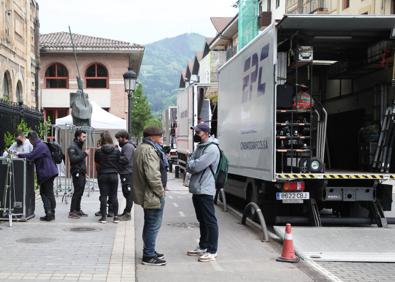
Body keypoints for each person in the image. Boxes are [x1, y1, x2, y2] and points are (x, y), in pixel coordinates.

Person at [133, 126, 166, 266]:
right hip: (151, 194)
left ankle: (150, 250)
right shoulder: (149, 150)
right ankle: (148, 255)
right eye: (160, 136)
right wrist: (161, 192)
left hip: (147, 193)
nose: (162, 139)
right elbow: (153, 175)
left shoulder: (141, 148)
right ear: (152, 137)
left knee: (149, 223)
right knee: (153, 225)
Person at [186, 123, 220, 262]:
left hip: (205, 188)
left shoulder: (212, 149)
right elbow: (190, 164)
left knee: (210, 220)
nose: (196, 134)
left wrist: (192, 163)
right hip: (197, 188)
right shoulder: (200, 147)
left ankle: (212, 250)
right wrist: (192, 163)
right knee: (202, 219)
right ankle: (203, 246)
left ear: (205, 133)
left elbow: (196, 166)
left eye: (198, 132)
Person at [17, 131, 58, 221]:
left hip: (47, 173)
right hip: (49, 172)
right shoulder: (40, 145)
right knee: (48, 193)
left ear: (32, 139)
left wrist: (19, 154)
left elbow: (31, 156)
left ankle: (49, 213)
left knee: (45, 193)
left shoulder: (40, 146)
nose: (30, 142)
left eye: (30, 139)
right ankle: (51, 213)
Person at [94, 131, 121, 224]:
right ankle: (116, 217)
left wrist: (100, 173)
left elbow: (97, 165)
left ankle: (104, 217)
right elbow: (119, 162)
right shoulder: (117, 151)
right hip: (113, 175)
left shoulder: (98, 151)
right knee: (114, 196)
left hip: (103, 175)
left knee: (103, 196)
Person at [68, 129, 88, 219]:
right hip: (77, 173)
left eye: (85, 137)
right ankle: (72, 212)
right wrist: (84, 154)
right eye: (83, 137)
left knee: (80, 192)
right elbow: (73, 159)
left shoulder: (79, 146)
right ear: (78, 137)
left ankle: (78, 209)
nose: (85, 138)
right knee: (77, 192)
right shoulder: (72, 147)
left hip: (82, 173)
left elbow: (80, 161)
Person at [115, 130, 135, 221]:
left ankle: (127, 214)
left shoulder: (128, 147)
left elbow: (125, 159)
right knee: (126, 193)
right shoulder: (127, 146)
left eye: (119, 139)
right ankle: (126, 212)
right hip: (126, 173)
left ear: (124, 138)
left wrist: (117, 155)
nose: (118, 141)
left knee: (128, 193)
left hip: (127, 173)